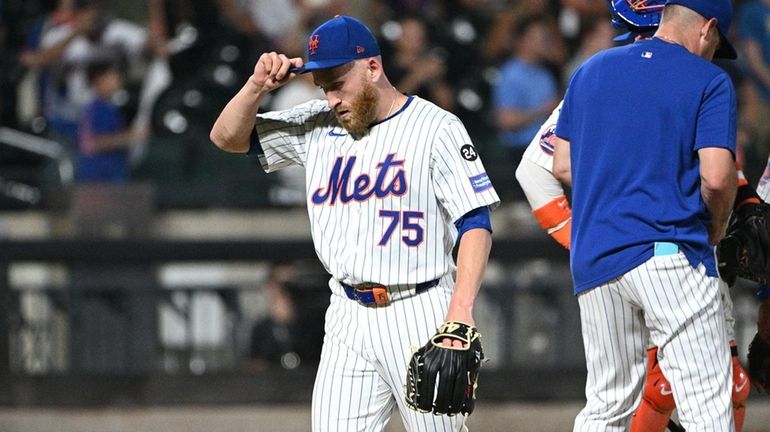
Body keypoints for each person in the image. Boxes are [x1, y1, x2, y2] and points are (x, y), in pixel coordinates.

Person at [209, 15, 499, 431]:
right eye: (323, 86)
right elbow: (227, 138)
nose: (331, 98)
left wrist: (461, 312)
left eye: (338, 82)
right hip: (347, 314)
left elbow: (475, 222)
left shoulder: (436, 127)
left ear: (373, 68)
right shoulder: (316, 124)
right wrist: (255, 87)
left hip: (420, 309)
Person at [516, 1, 752, 430]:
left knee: (607, 405)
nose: (715, 51)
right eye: (717, 42)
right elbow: (717, 179)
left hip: (597, 260)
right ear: (708, 28)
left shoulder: (590, 71)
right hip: (669, 253)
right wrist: (716, 225)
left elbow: (561, 165)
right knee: (707, 403)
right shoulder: (708, 78)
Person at [76, 59, 147, 182]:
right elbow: (92, 144)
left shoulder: (110, 106)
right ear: (97, 81)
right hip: (99, 175)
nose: (116, 79)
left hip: (112, 172)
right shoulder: (97, 108)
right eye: (111, 76)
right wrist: (133, 136)